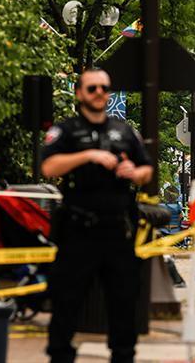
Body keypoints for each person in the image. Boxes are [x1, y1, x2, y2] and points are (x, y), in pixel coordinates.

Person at [41, 69, 153, 363]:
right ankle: (61, 356)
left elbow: (146, 170)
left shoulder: (124, 131)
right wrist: (88, 156)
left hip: (117, 230)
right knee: (67, 302)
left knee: (124, 302)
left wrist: (135, 173)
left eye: (104, 88)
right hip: (79, 229)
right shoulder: (65, 131)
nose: (99, 93)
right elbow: (49, 167)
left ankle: (123, 356)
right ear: (80, 93)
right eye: (92, 88)